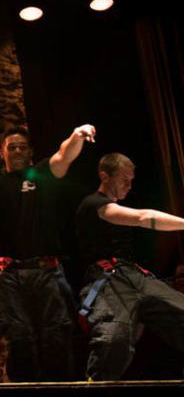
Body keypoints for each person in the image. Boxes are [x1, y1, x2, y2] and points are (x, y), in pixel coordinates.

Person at [0, 123, 96, 381]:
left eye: (22, 147)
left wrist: (77, 134)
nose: (17, 151)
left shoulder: (43, 173)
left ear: (30, 152)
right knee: (18, 341)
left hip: (47, 271)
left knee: (56, 338)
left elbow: (64, 155)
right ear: (2, 152)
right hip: (10, 275)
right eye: (11, 147)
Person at [76, 153, 184, 380]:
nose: (129, 185)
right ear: (105, 176)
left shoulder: (115, 208)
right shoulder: (94, 204)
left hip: (134, 275)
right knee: (115, 338)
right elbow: (143, 217)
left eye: (131, 180)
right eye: (124, 178)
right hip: (107, 279)